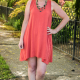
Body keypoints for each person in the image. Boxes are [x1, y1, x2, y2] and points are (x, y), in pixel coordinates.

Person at [18, 0, 69, 80]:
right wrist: (21, 39)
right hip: (30, 38)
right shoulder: (30, 2)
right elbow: (25, 21)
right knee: (31, 67)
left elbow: (66, 18)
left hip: (44, 40)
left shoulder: (51, 3)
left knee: (41, 73)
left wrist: (55, 30)